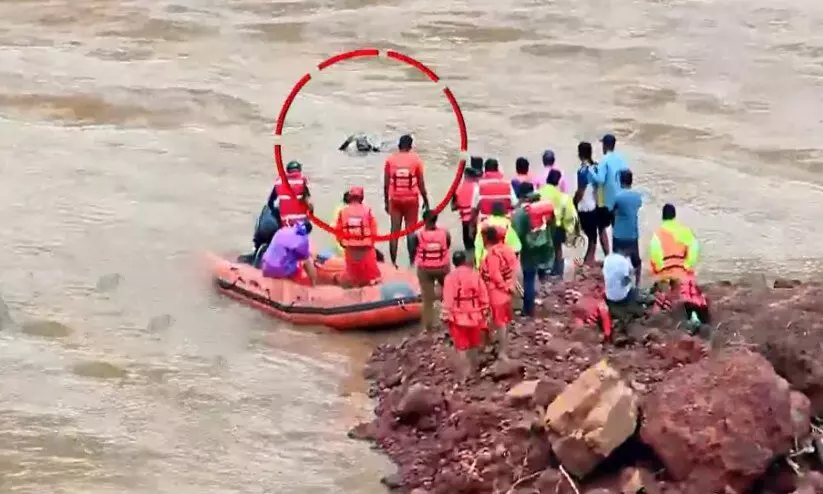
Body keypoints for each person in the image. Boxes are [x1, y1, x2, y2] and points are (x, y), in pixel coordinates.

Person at [441, 251, 490, 378]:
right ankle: (474, 371)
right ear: (465, 261)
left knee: (461, 346)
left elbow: (448, 299)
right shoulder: (475, 275)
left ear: (454, 263)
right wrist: (484, 310)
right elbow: (483, 294)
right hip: (475, 315)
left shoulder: (450, 278)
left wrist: (446, 316)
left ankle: (465, 375)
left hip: (458, 317)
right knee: (474, 344)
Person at [384, 134, 430, 267]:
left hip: (395, 199)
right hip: (411, 199)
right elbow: (421, 184)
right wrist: (426, 200)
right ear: (410, 146)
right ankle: (412, 263)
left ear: (399, 145)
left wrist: (386, 202)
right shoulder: (416, 160)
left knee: (394, 232)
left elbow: (386, 184)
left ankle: (393, 263)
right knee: (411, 231)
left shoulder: (390, 160)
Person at [511, 183, 555, 316]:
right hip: (545, 246)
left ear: (521, 196)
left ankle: (528, 310)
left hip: (528, 249)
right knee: (542, 275)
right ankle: (545, 300)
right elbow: (552, 225)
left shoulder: (520, 214)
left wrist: (514, 254)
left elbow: (516, 236)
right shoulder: (544, 207)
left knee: (529, 278)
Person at [479, 227, 518, 360]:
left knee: (499, 323)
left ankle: (501, 351)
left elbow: (494, 275)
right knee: (504, 323)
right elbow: (513, 270)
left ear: (486, 238)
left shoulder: (492, 255)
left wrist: (504, 287)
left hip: (496, 293)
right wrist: (510, 286)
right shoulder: (507, 250)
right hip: (505, 293)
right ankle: (499, 347)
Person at [411, 211, 451, 332]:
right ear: (436, 220)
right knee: (449, 293)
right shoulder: (445, 233)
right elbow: (447, 245)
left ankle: (428, 326)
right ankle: (449, 320)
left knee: (427, 299)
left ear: (424, 221)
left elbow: (414, 250)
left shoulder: (417, 235)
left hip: (425, 269)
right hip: (442, 267)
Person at [336, 186, 381, 287]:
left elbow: (338, 231)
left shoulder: (343, 212)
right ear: (361, 198)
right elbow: (374, 229)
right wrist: (371, 243)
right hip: (366, 248)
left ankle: (353, 288)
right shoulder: (367, 210)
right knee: (372, 276)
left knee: (353, 275)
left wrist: (342, 243)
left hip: (350, 248)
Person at [574, 141, 610, 265]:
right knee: (600, 233)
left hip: (587, 208)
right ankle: (607, 258)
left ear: (580, 154)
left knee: (592, 239)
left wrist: (574, 203)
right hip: (599, 205)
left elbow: (581, 192)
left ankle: (588, 263)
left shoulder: (582, 171)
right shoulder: (597, 167)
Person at [539, 169, 578, 278]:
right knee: (558, 248)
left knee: (544, 248)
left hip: (541, 225)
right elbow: (564, 212)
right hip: (556, 225)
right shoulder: (559, 195)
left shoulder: (540, 191)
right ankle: (559, 272)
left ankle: (544, 272)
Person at [648, 203, 699, 285]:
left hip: (665, 275)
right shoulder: (685, 231)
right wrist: (686, 266)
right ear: (675, 216)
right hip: (682, 273)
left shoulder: (657, 234)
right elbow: (694, 249)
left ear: (662, 217)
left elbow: (655, 254)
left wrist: (659, 269)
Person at [261, 221, 317, 286]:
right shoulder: (303, 240)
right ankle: (313, 285)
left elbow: (286, 245)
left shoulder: (282, 230)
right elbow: (305, 257)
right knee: (306, 261)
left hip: (265, 267)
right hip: (279, 271)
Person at [612, 169, 643, 286]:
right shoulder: (637, 197)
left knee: (617, 261)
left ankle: (619, 284)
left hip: (619, 235)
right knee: (636, 260)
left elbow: (612, 211)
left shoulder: (617, 197)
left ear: (621, 181)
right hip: (632, 234)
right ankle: (638, 283)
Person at [588, 133, 628, 221]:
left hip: (609, 202)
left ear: (604, 146)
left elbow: (600, 180)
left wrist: (591, 171)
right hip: (622, 198)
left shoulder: (604, 160)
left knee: (603, 226)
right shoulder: (621, 159)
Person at [474, 201, 521, 268]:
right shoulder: (507, 225)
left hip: (486, 261)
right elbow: (516, 247)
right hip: (502, 261)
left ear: (492, 212)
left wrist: (478, 264)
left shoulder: (483, 225)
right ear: (503, 212)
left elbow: (478, 246)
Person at [472, 158, 518, 224]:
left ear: (484, 170)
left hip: (485, 223)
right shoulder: (507, 184)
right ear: (498, 169)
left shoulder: (479, 185)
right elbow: (515, 203)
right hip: (504, 222)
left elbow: (473, 208)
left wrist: (472, 224)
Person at [273, 160, 312, 228]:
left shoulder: (279, 181)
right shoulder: (302, 180)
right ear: (299, 169)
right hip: (301, 223)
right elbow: (309, 202)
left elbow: (273, 203)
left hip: (285, 222)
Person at [452, 166, 481, 252]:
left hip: (465, 222)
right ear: (474, 177)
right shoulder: (478, 187)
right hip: (475, 221)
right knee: (477, 248)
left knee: (467, 248)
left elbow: (454, 207)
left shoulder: (458, 188)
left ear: (465, 176)